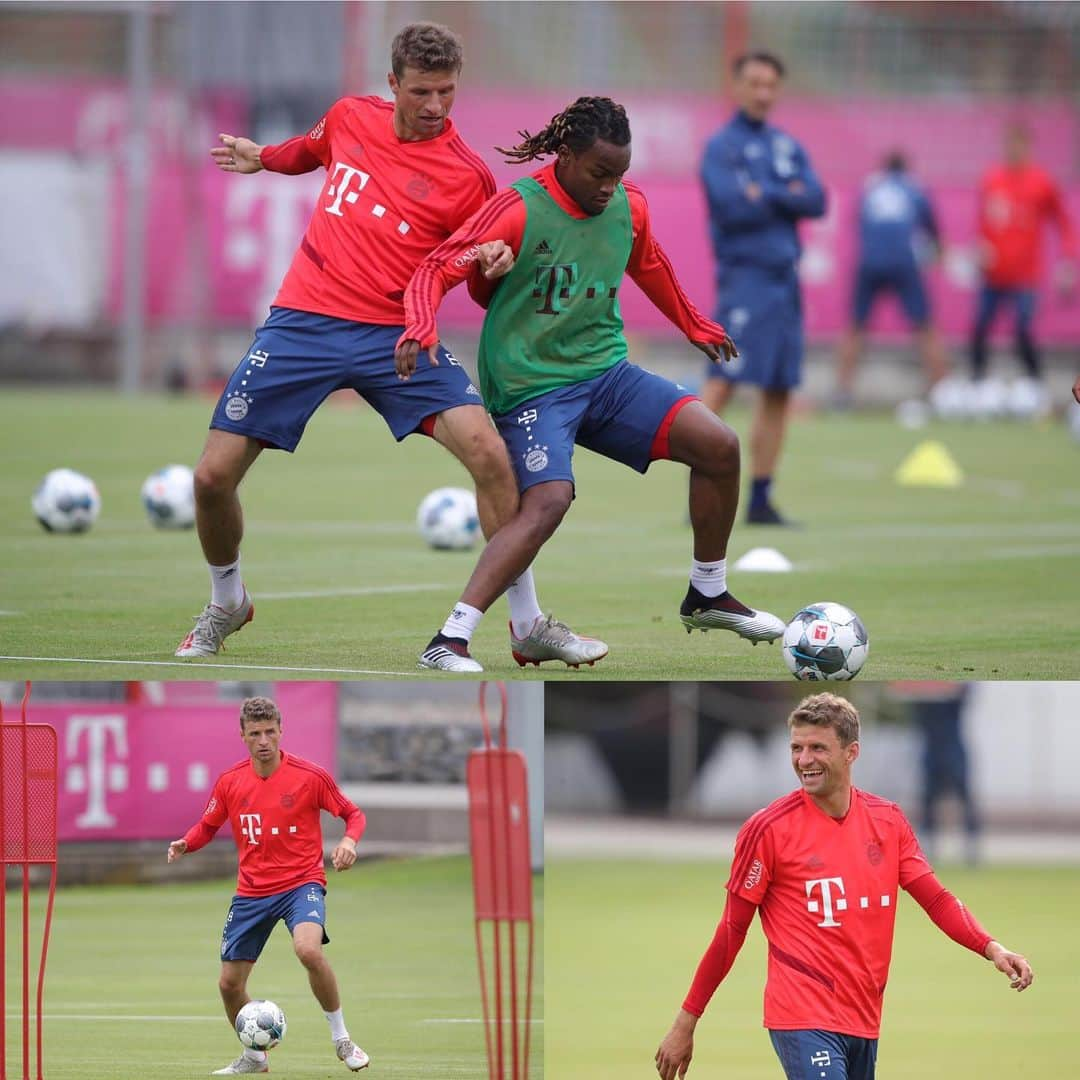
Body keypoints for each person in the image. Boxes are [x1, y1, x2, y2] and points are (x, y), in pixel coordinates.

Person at [175, 22, 601, 671]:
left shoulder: (466, 177)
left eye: (448, 92)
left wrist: (494, 259)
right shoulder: (351, 116)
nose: (436, 107)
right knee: (210, 478)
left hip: (396, 336)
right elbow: (310, 149)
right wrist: (264, 156)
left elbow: (476, 271)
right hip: (304, 323)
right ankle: (226, 600)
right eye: (423, 92)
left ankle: (525, 623)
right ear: (394, 83)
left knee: (490, 454)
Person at [396, 96, 786, 673]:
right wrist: (421, 324)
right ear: (568, 155)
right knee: (549, 501)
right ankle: (450, 638)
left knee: (719, 445)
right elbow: (436, 267)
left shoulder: (628, 206)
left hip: (606, 376)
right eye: (600, 173)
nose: (610, 186)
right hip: (531, 387)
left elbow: (649, 264)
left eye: (620, 174)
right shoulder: (516, 209)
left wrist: (693, 324)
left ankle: (707, 593)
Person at [654, 692, 1032, 1080]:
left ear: (851, 752)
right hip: (801, 1014)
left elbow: (935, 899)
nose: (804, 760)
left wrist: (991, 947)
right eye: (797, 748)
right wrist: (688, 1020)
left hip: (864, 1017)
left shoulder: (887, 822)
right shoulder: (767, 830)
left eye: (818, 747)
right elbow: (731, 932)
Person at [167, 697, 369, 1075]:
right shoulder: (230, 781)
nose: (264, 740)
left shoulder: (310, 776)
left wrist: (348, 842)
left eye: (270, 731)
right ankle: (255, 1058)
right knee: (229, 985)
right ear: (242, 735)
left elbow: (352, 814)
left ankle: (342, 1039)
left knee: (308, 950)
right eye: (255, 733)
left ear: (281, 731)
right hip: (252, 892)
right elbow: (208, 825)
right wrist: (187, 843)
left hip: (301, 883)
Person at [699, 51, 826, 526]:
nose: (763, 93)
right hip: (745, 277)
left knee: (779, 388)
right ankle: (703, 489)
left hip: (784, 280)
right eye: (754, 83)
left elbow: (816, 198)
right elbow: (733, 206)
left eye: (771, 84)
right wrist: (784, 194)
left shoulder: (786, 145)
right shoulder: (723, 147)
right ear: (737, 86)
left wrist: (767, 191)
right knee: (724, 379)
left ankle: (760, 497)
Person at [969, 123, 1076, 417]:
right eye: (1009, 145)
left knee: (1022, 330)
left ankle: (1036, 387)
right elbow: (985, 222)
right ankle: (977, 387)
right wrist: (981, 248)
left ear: (1028, 148)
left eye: (1019, 145)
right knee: (979, 327)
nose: (1013, 151)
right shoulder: (992, 179)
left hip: (1025, 277)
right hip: (993, 275)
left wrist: (1067, 262)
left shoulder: (1041, 182)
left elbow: (1063, 223)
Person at [834, 151, 950, 408]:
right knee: (925, 325)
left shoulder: (870, 187)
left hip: (870, 261)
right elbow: (933, 232)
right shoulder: (915, 189)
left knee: (855, 326)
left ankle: (842, 391)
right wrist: (937, 254)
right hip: (903, 261)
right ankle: (942, 389)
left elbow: (859, 222)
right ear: (906, 168)